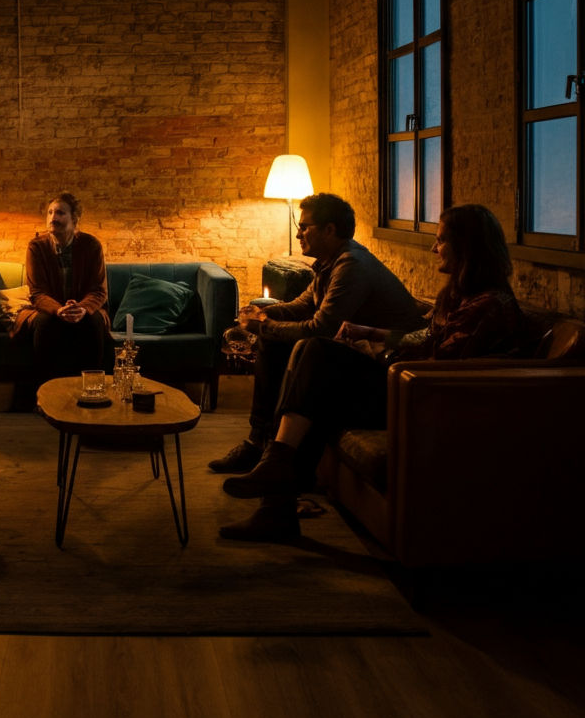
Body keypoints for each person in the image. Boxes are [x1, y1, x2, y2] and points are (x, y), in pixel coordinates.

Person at [219, 203, 525, 542]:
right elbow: (426, 337)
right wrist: (371, 333)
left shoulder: (489, 305)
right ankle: (274, 478)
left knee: (316, 357)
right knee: (311, 361)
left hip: (424, 398)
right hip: (407, 382)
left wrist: (382, 351)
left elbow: (439, 366)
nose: (433, 248)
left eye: (440, 241)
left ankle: (275, 486)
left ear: (467, 246)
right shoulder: (458, 293)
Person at [209, 192, 425, 474]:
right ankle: (258, 442)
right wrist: (261, 313)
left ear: (329, 230)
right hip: (358, 357)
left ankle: (274, 458)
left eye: (304, 226)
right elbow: (302, 305)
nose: (298, 234)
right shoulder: (329, 262)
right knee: (272, 343)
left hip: (385, 368)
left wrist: (263, 325)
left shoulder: (352, 266)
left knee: (308, 346)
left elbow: (321, 328)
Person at [13, 192, 109, 383]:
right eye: (49, 213)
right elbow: (37, 291)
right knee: (46, 322)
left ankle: (92, 388)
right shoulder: (36, 247)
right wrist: (59, 310)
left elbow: (98, 289)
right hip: (49, 310)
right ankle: (44, 392)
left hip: (81, 308)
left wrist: (82, 308)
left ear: (74, 218)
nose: (53, 218)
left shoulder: (91, 245)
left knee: (94, 321)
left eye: (60, 213)